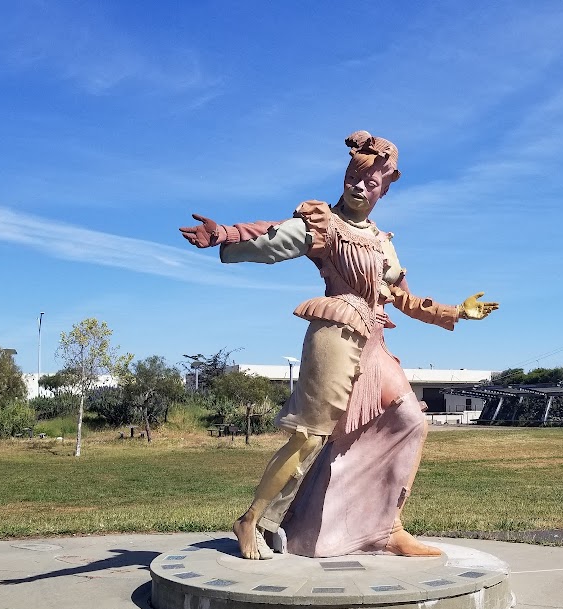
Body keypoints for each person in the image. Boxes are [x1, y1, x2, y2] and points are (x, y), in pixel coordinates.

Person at [180, 131, 498, 560]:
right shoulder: (324, 225)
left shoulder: (384, 241)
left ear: (385, 189)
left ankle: (387, 527)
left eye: (371, 182)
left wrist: (456, 312)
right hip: (336, 332)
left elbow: (403, 298)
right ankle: (253, 519)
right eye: (354, 176)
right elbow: (274, 237)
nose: (360, 186)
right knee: (309, 438)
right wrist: (225, 235)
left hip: (374, 340)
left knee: (411, 422)